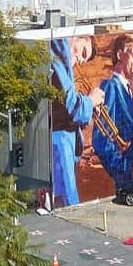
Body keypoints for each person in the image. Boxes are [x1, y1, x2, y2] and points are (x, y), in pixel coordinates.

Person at [91, 32, 133, 190]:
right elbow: (101, 141)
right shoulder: (111, 87)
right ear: (120, 55)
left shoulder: (127, 89)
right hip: (130, 179)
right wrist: (128, 168)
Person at [49, 34, 95, 207]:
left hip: (63, 142)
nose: (81, 61)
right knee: (69, 205)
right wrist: (91, 100)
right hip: (59, 142)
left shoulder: (60, 59)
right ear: (80, 37)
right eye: (83, 52)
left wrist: (87, 111)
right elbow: (72, 106)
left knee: (63, 200)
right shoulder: (56, 58)